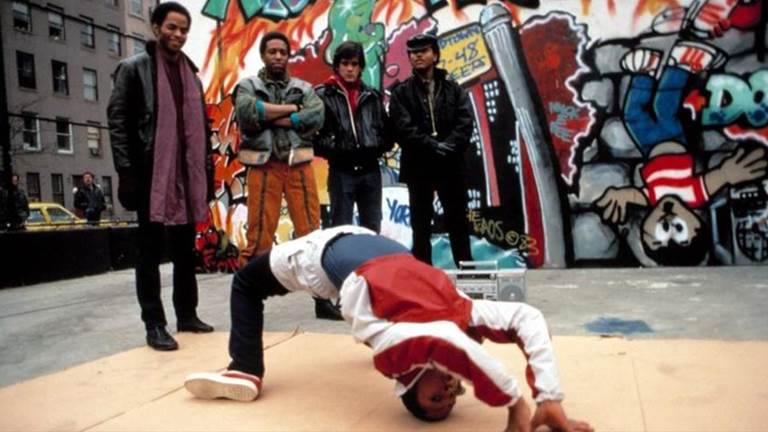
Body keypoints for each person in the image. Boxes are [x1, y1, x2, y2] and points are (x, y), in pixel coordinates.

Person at [184, 226, 592, 432]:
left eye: (436, 397)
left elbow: (444, 343)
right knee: (435, 334)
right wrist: (548, 397)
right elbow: (527, 318)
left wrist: (514, 404)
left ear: (406, 383)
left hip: (317, 257)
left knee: (246, 283)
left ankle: (245, 369)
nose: (450, 389)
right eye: (453, 395)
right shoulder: (459, 313)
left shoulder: (393, 346)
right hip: (376, 241)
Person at [595, 40, 767, 265]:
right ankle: (685, 63)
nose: (668, 219)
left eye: (661, 230)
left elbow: (634, 196)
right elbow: (717, 178)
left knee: (633, 116)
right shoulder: (693, 195)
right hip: (674, 140)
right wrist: (729, 173)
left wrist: (620, 196)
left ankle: (645, 71)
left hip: (649, 146)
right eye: (678, 227)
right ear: (698, 223)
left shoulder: (653, 198)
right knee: (664, 107)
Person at [107, 1, 214, 351]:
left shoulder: (191, 75)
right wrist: (126, 172)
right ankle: (154, 324)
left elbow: (202, 129)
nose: (178, 35)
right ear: (156, 28)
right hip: (151, 173)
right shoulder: (133, 68)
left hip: (186, 173)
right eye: (172, 27)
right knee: (149, 252)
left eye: (184, 29)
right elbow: (118, 122)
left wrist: (207, 171)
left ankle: (187, 314)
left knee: (185, 249)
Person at [233, 31, 337, 319]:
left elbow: (316, 116)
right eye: (272, 52)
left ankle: (322, 301)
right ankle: (249, 302)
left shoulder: (303, 87)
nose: (278, 56)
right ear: (263, 55)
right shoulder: (248, 85)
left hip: (297, 166)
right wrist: (292, 111)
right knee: (258, 237)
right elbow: (247, 113)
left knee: (311, 235)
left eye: (282, 52)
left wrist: (270, 116)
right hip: (263, 166)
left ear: (288, 55)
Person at [388, 33, 475, 268]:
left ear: (435, 55)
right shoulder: (401, 93)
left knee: (458, 222)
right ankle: (423, 276)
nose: (417, 56)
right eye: (413, 53)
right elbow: (402, 129)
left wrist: (448, 146)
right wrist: (433, 145)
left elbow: (465, 123)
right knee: (421, 225)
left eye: (423, 51)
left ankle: (468, 273)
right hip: (419, 167)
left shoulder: (453, 89)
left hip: (451, 165)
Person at [315, 41, 393, 233]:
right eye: (345, 63)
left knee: (372, 228)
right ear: (337, 66)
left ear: (361, 67)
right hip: (341, 171)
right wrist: (337, 149)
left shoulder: (372, 96)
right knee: (341, 229)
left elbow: (387, 131)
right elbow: (313, 136)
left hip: (370, 170)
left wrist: (375, 146)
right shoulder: (323, 95)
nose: (350, 69)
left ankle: (370, 256)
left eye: (354, 64)